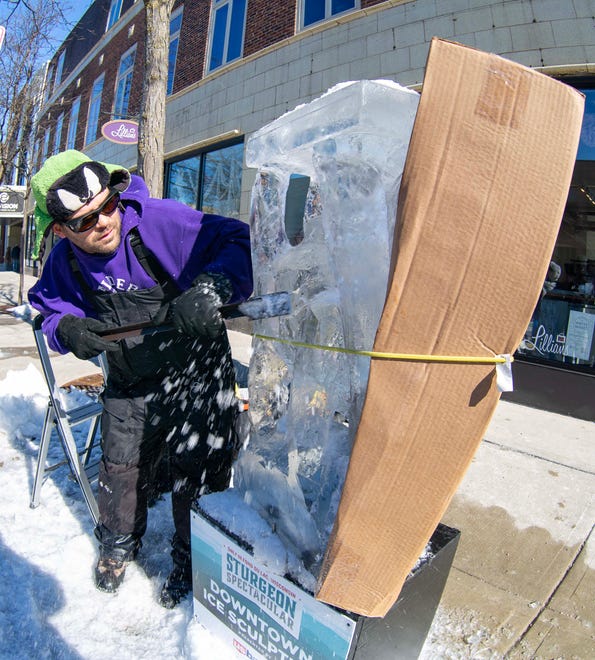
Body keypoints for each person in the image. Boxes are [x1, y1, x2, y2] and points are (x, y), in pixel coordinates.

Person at [28, 150, 253, 608]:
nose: (103, 222)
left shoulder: (159, 222)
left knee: (200, 469)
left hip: (196, 367)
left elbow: (238, 241)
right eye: (84, 221)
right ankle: (117, 543)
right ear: (59, 230)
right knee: (120, 463)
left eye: (107, 206)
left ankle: (193, 559)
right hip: (131, 376)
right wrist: (68, 328)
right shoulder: (64, 262)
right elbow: (49, 308)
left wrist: (212, 286)